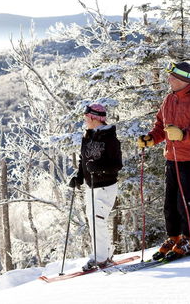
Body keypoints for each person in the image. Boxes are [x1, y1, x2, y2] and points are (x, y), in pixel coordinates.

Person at [137, 61, 190, 260]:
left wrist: (182, 134)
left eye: (172, 77)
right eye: (169, 76)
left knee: (185, 202)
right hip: (172, 158)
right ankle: (175, 237)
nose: (169, 79)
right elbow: (161, 126)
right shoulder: (169, 99)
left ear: (183, 80)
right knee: (170, 203)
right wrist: (152, 138)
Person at [68, 103, 123, 271]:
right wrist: (78, 177)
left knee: (97, 221)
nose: (84, 119)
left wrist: (98, 169)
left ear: (95, 118)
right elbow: (83, 160)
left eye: (87, 117)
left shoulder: (110, 138)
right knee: (94, 222)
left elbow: (116, 165)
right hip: (91, 187)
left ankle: (101, 258)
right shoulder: (88, 135)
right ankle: (104, 254)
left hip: (105, 186)